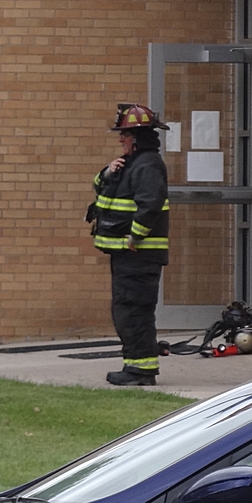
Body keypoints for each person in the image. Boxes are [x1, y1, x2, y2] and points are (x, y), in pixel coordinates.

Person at [90, 103, 170, 386]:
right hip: (128, 255)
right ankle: (136, 366)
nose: (120, 139)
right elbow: (101, 187)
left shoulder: (148, 165)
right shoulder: (131, 164)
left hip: (138, 255)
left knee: (133, 311)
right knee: (127, 310)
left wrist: (135, 237)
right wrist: (108, 172)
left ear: (137, 138)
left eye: (124, 134)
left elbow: (150, 204)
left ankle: (140, 371)